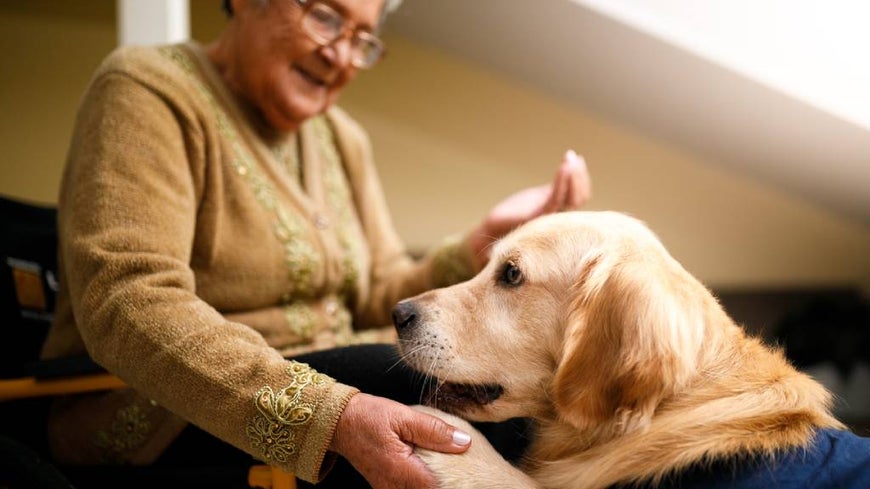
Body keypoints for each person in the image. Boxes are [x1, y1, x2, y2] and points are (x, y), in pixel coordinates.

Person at [39, 0, 591, 487]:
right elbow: (125, 301)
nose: (342, 57)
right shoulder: (147, 89)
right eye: (325, 16)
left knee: (527, 400)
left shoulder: (340, 138)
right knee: (447, 400)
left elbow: (381, 293)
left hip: (340, 373)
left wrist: (479, 242)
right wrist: (330, 415)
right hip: (165, 420)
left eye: (362, 39)